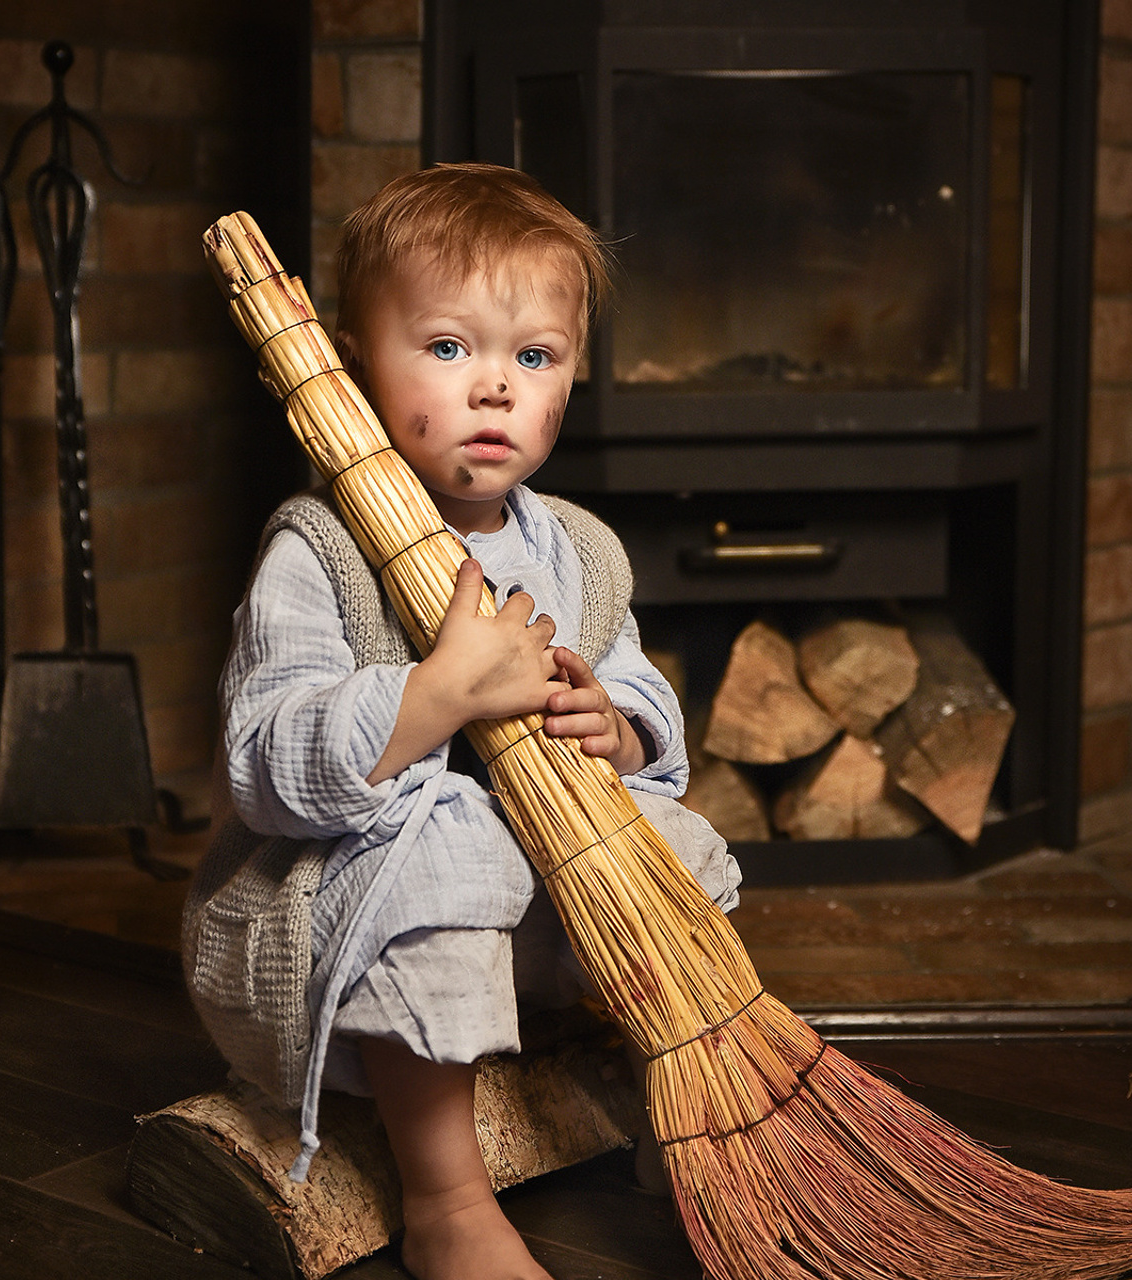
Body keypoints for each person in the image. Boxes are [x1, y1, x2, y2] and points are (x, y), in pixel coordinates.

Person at [183, 163, 741, 1280]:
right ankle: (447, 1199)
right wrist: (439, 693)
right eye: (447, 347)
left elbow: (640, 697)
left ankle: (687, 1111)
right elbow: (263, 764)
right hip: (350, 927)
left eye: (533, 357)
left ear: (571, 376)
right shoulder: (318, 548)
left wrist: (616, 724)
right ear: (352, 368)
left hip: (539, 925)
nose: (494, 389)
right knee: (447, 843)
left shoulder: (575, 548)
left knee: (680, 845)